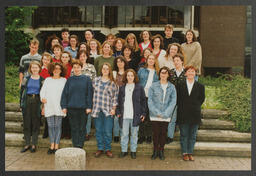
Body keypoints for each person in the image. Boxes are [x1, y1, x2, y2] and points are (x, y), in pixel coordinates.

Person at [61, 60, 93, 148]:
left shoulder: (87, 79)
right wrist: (64, 106)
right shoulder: (69, 80)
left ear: (81, 68)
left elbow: (89, 94)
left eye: (78, 67)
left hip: (83, 108)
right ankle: (75, 145)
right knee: (74, 128)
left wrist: (89, 106)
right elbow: (65, 94)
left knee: (82, 128)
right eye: (74, 67)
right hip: (71, 108)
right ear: (72, 69)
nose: (76, 69)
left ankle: (80, 146)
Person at [176, 65, 205, 161]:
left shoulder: (200, 86)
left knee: (193, 135)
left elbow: (201, 99)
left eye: (193, 71)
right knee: (184, 134)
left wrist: (194, 106)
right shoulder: (180, 85)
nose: (191, 73)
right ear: (186, 73)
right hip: (183, 114)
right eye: (189, 71)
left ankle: (190, 152)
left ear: (195, 74)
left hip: (195, 114)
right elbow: (178, 99)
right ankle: (184, 152)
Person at [116, 69, 146, 159]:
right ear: (126, 77)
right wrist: (118, 112)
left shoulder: (139, 87)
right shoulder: (122, 87)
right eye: (128, 75)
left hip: (135, 115)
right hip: (124, 115)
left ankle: (133, 151)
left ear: (134, 77)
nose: (130, 77)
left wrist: (143, 113)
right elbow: (119, 101)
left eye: (131, 76)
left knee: (134, 134)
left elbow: (143, 101)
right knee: (124, 134)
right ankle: (124, 150)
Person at [148, 66, 177, 160]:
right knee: (156, 133)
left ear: (168, 75)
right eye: (161, 72)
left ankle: (161, 151)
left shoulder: (172, 87)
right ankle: (155, 151)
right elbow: (150, 101)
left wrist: (165, 113)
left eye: (165, 73)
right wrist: (157, 112)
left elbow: (173, 101)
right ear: (159, 74)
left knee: (163, 133)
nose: (163, 74)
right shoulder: (153, 86)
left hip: (166, 114)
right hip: (154, 115)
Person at [91, 63, 119, 158]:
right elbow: (92, 94)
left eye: (107, 69)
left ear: (109, 71)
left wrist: (113, 109)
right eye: (104, 68)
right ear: (101, 70)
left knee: (107, 131)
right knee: (98, 130)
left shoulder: (113, 83)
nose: (105, 70)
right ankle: (100, 148)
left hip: (108, 110)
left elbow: (115, 98)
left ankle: (107, 149)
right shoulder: (95, 81)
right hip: (97, 110)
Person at [40, 62, 67, 154]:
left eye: (59, 69)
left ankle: (56, 145)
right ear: (52, 69)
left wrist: (65, 106)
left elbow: (66, 94)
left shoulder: (64, 80)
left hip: (59, 106)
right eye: (55, 68)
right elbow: (42, 92)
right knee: (51, 126)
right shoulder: (48, 80)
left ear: (61, 70)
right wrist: (42, 99)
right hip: (49, 106)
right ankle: (52, 144)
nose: (56, 70)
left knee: (58, 126)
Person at [72, 50, 96, 141]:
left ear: (87, 57)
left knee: (87, 114)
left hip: (87, 94)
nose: (82, 57)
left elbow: (94, 80)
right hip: (76, 95)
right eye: (81, 56)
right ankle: (79, 132)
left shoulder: (91, 67)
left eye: (84, 56)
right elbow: (72, 80)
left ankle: (86, 132)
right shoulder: (74, 67)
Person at [20, 61, 44, 153]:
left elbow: (44, 93)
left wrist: (43, 106)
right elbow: (21, 92)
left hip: (37, 101)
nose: (34, 69)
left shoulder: (42, 79)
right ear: (31, 69)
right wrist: (21, 104)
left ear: (39, 68)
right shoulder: (26, 78)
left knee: (35, 123)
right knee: (26, 123)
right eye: (33, 67)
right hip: (27, 100)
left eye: (36, 67)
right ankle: (27, 144)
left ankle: (34, 144)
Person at [137, 54, 159, 144]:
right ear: (146, 60)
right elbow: (137, 82)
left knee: (150, 117)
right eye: (149, 59)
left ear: (155, 61)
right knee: (141, 116)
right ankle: (141, 136)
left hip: (152, 97)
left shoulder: (157, 72)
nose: (151, 60)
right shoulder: (141, 70)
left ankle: (149, 135)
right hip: (142, 96)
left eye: (152, 59)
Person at [166, 53, 186, 144]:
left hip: (183, 100)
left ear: (182, 61)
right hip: (172, 100)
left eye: (178, 60)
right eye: (174, 61)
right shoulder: (170, 73)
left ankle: (184, 137)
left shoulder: (186, 73)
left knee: (183, 119)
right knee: (172, 119)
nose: (176, 62)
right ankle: (170, 136)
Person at [112, 56, 129, 143]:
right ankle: (116, 135)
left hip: (124, 97)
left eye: (121, 61)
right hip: (114, 97)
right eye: (118, 62)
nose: (120, 63)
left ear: (124, 63)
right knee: (115, 117)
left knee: (123, 116)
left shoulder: (128, 73)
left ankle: (123, 134)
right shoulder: (113, 73)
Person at [39, 52, 52, 139]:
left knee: (47, 111)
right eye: (44, 59)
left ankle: (46, 130)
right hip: (39, 92)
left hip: (49, 93)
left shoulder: (51, 70)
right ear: (42, 60)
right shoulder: (39, 69)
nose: (46, 61)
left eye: (48, 60)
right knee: (40, 111)